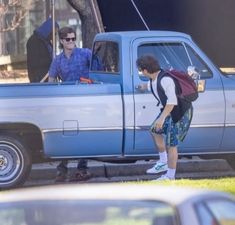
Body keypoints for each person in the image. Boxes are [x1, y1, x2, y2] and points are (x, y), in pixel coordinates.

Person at [136, 55, 193, 180]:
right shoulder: (154, 79)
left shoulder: (165, 79)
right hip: (169, 111)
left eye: (140, 70)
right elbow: (148, 86)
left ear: (145, 70)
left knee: (171, 144)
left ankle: (170, 176)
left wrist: (161, 119)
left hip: (179, 112)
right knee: (154, 130)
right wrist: (139, 87)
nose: (141, 72)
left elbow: (172, 102)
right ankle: (163, 162)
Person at [48, 26, 92, 182]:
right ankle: (62, 170)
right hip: (66, 102)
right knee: (65, 135)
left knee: (83, 135)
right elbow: (51, 80)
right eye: (68, 39)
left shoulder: (86, 53)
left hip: (86, 100)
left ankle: (83, 169)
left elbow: (98, 71)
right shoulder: (57, 60)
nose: (72, 41)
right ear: (61, 41)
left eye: (73, 38)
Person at [26, 17, 59, 83]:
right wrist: (52, 60)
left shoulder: (47, 41)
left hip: (48, 76)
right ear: (48, 30)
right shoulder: (34, 41)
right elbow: (34, 61)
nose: (54, 36)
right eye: (53, 33)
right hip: (38, 77)